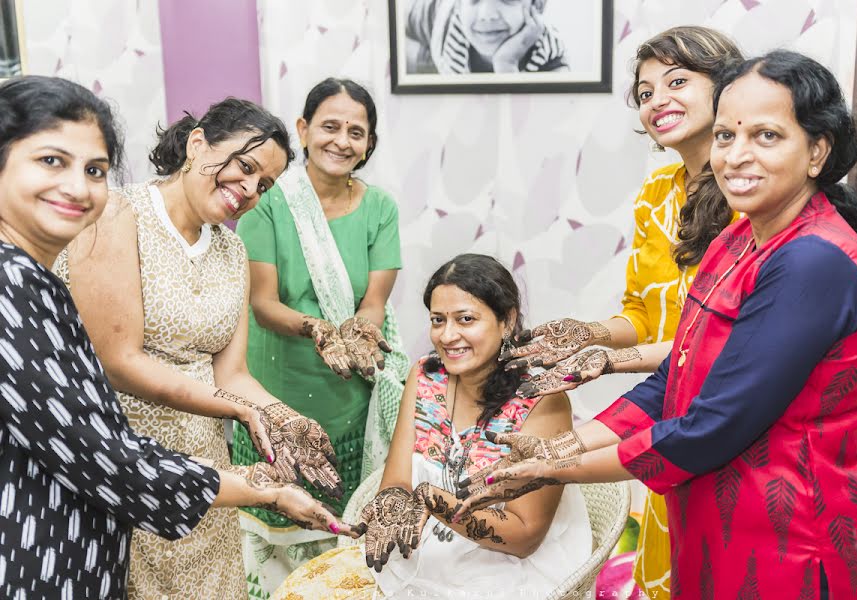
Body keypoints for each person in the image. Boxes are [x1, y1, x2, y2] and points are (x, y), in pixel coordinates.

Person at [456, 50, 857, 599]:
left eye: (767, 136)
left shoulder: (813, 260)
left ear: (817, 151)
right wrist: (556, 448)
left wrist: (553, 471)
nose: (736, 156)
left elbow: (712, 426)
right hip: (716, 531)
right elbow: (674, 380)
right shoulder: (737, 240)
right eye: (727, 136)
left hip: (791, 548)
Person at [0, 75, 357, 600]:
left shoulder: (232, 253)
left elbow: (231, 374)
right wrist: (240, 414)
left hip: (207, 461)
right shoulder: (115, 214)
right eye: (245, 166)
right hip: (130, 454)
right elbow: (118, 361)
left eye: (265, 186)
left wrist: (284, 417)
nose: (250, 190)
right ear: (197, 144)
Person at [497, 26, 742, 600]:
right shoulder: (656, 192)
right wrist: (587, 334)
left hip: (729, 416)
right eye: (646, 91)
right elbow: (645, 315)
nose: (658, 101)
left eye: (677, 81)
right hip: (668, 407)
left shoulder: (749, 191)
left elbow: (715, 341)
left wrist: (606, 362)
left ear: (728, 86)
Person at [272, 254, 590, 600]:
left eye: (465, 319)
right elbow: (395, 481)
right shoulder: (425, 376)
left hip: (506, 571)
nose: (448, 335)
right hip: (424, 548)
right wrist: (392, 507)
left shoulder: (542, 399)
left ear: (507, 320)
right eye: (438, 320)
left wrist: (439, 504)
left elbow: (526, 537)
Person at [231, 77, 408, 592]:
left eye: (357, 131)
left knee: (338, 542)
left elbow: (374, 302)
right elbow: (263, 304)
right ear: (304, 130)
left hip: (349, 393)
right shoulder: (268, 202)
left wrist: (357, 333)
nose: (342, 141)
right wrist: (320, 329)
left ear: (368, 144)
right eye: (330, 126)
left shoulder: (380, 208)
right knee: (270, 536)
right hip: (275, 394)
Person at [406, 0, 568, 74]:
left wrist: (506, 65)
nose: (487, 14)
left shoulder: (550, 57)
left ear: (537, 4)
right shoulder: (440, 15)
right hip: (442, 53)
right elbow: (393, 24)